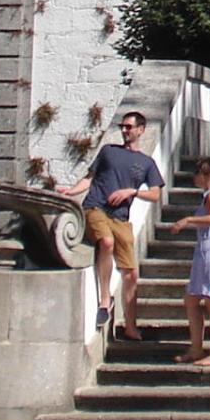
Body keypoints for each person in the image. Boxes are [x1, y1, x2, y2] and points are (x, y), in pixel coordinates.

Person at [65, 111, 163, 340]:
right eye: (123, 127)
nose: (125, 130)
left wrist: (132, 191)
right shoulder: (109, 151)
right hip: (96, 208)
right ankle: (105, 299)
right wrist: (70, 191)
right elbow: (89, 178)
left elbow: (155, 193)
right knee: (106, 242)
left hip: (120, 218)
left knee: (131, 274)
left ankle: (130, 325)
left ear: (141, 129)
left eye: (129, 127)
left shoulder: (146, 163)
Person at [166, 156, 210, 366]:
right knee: (192, 299)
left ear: (206, 176)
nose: (194, 177)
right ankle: (196, 348)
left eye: (197, 173)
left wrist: (188, 220)